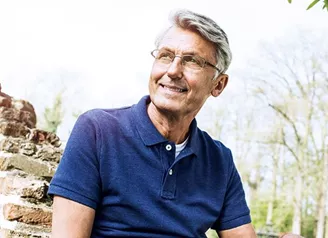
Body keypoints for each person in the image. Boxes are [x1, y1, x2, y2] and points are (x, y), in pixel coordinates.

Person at [48, 9, 257, 237]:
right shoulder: (97, 130)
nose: (173, 70)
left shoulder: (220, 160)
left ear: (218, 85)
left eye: (192, 61)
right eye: (166, 56)